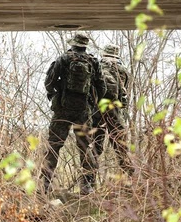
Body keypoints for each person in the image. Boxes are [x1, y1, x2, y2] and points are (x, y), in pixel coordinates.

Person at [41, 33, 106, 195]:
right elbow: (102, 87)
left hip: (63, 108)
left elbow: (49, 82)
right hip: (84, 110)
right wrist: (92, 104)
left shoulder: (63, 59)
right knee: (85, 147)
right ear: (85, 46)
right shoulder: (93, 61)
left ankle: (45, 185)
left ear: (73, 44)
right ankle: (87, 186)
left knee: (54, 145)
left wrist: (54, 96)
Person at [92, 44, 133, 175]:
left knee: (93, 148)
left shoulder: (97, 67)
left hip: (96, 111)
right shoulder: (123, 70)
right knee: (121, 146)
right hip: (114, 111)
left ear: (104, 54)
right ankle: (130, 181)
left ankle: (88, 185)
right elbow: (123, 94)